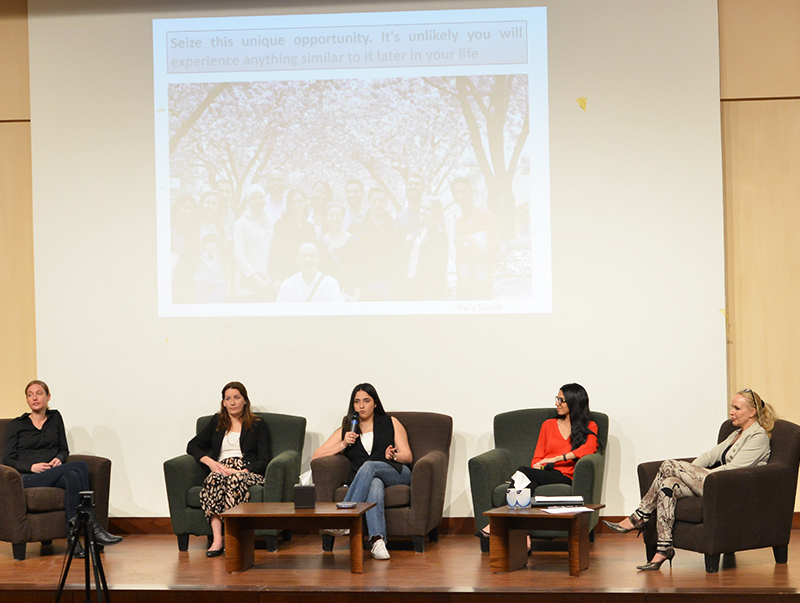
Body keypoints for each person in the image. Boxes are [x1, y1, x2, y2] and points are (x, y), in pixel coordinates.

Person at [604, 388, 775, 571]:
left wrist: (695, 474)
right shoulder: (736, 434)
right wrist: (689, 473)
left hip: (728, 488)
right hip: (714, 482)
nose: (731, 412)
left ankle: (639, 517)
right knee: (667, 484)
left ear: (752, 412)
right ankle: (664, 548)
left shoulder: (758, 436)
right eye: (731, 407)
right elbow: (709, 456)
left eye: (737, 408)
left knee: (668, 465)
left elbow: (734, 469)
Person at [3, 380, 122, 558]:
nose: (34, 398)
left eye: (39, 393)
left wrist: (59, 458)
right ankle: (92, 527)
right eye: (30, 395)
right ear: (27, 400)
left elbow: (63, 449)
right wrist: (32, 467)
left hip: (51, 473)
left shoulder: (55, 418)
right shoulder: (17, 425)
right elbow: (7, 459)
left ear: (48, 396)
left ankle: (73, 541)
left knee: (72, 476)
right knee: (80, 466)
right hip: (28, 478)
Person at [478, 384, 599, 547]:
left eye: (561, 400)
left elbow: (589, 449)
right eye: (557, 399)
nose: (557, 403)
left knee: (522, 472)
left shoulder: (589, 426)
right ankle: (524, 534)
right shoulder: (548, 425)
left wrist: (557, 459)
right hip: (545, 473)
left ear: (574, 401)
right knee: (527, 480)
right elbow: (538, 456)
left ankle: (496, 523)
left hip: (566, 476)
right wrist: (537, 466)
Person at [312, 383, 412, 560]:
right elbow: (317, 456)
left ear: (375, 403)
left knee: (369, 466)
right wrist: (343, 444)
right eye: (357, 402)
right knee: (374, 484)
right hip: (369, 479)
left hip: (396, 472)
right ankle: (378, 542)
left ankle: (343, 518)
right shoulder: (348, 428)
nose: (361, 406)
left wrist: (393, 455)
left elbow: (408, 456)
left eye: (366, 401)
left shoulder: (390, 422)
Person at [186, 381, 271, 557]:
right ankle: (217, 540)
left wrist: (242, 471)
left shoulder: (257, 424)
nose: (232, 402)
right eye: (228, 398)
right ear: (223, 402)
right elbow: (192, 445)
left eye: (237, 398)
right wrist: (210, 462)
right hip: (221, 467)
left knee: (235, 479)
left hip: (247, 471)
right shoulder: (217, 422)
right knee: (213, 480)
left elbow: (264, 459)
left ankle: (234, 539)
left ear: (245, 400)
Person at [450, 177, 500, 300]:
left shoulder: (485, 215)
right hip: (463, 280)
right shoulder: (458, 221)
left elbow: (497, 245)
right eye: (456, 193)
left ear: (471, 191)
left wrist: (467, 242)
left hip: (481, 281)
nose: (460, 195)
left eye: (463, 191)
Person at [233, 184, 274, 302]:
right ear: (248, 201)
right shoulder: (241, 223)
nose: (258, 201)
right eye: (254, 198)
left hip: (267, 283)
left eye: (260, 197)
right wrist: (255, 278)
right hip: (247, 284)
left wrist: (268, 279)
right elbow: (238, 255)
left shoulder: (271, 221)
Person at [403, 198, 449, 300]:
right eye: (422, 208)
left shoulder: (439, 235)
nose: (423, 211)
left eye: (428, 209)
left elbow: (439, 266)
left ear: (436, 214)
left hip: (425, 286)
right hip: (411, 281)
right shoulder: (420, 231)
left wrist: (432, 290)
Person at [269, 189, 318, 284]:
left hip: (305, 275)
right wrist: (276, 277)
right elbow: (274, 251)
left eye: (301, 201)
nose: (297, 205)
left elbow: (313, 253)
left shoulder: (310, 227)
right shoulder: (280, 224)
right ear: (289, 205)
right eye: (294, 202)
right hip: (285, 273)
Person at [319, 202, 362, 301]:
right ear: (326, 218)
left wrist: (356, 296)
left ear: (343, 217)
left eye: (338, 215)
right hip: (327, 295)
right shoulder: (320, 243)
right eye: (331, 215)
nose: (334, 218)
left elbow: (359, 270)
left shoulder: (353, 241)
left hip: (349, 295)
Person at [276, 242, 342, 303]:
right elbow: (280, 310)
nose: (308, 259)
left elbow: (337, 310)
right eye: (304, 256)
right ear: (298, 259)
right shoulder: (287, 285)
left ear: (318, 258)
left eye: (312, 255)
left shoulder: (331, 284)